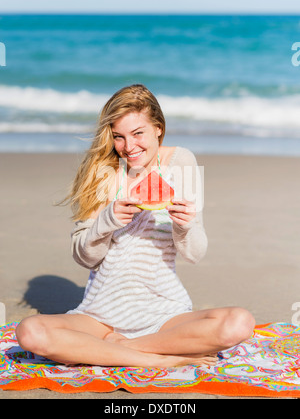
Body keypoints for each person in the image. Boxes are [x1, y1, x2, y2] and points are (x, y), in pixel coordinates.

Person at [16, 84, 255, 368]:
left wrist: (186, 226)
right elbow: (84, 258)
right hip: (100, 317)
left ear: (158, 128)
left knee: (240, 323)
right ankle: (159, 360)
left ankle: (121, 349)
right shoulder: (102, 172)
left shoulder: (181, 163)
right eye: (119, 137)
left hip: (165, 315)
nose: (129, 147)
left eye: (138, 133)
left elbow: (195, 254)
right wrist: (107, 222)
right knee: (29, 331)